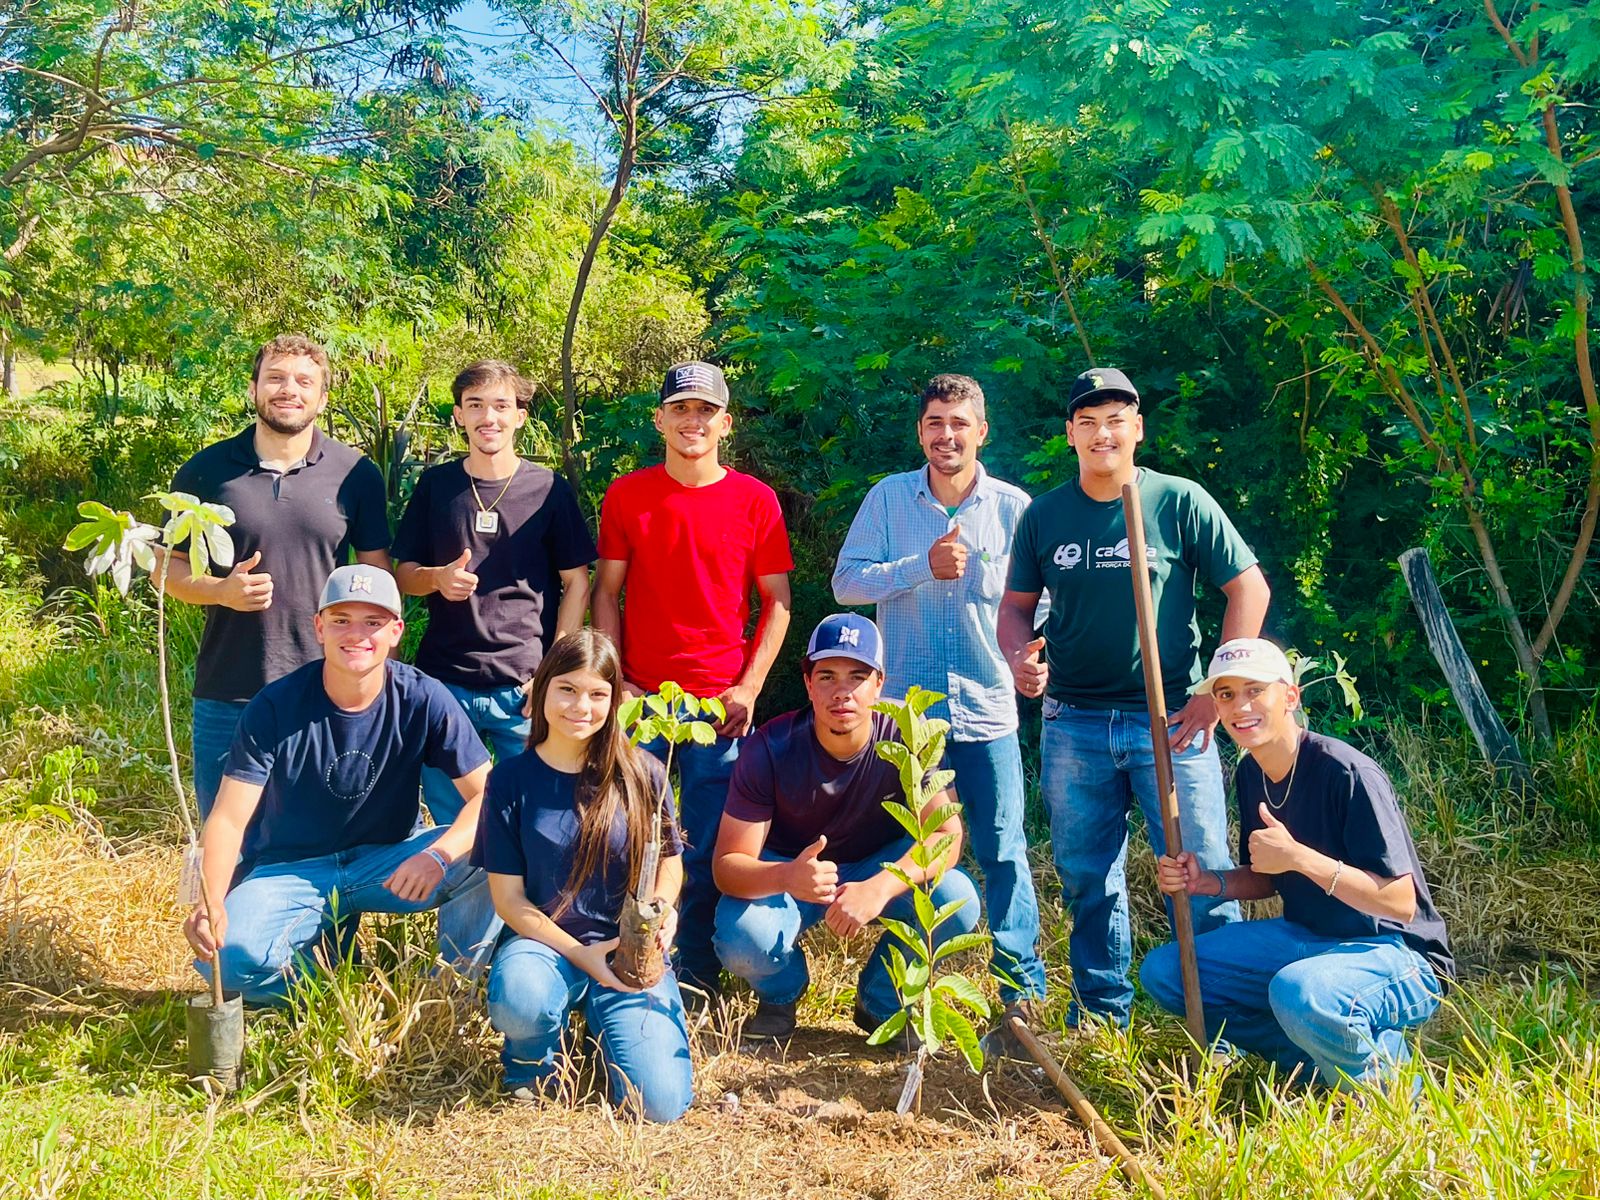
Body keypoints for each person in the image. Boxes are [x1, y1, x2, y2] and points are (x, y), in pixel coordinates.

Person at [997, 366, 1271, 1029]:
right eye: (1087, 422)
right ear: (1070, 434)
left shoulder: (1178, 501)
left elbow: (1249, 589)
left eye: (1115, 419)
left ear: (1137, 428)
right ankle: (1100, 1016)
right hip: (1074, 723)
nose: (1102, 433)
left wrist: (1215, 690)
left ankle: (1224, 1022)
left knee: (1202, 872)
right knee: (1088, 877)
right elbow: (1014, 610)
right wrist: (1018, 661)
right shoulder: (1046, 516)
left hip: (1173, 722)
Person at [831, 373, 1046, 1045]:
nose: (945, 435)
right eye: (934, 423)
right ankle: (887, 1000)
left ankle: (1020, 1000)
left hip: (988, 714)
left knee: (1005, 853)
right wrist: (919, 566)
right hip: (909, 723)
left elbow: (1045, 609)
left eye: (959, 423)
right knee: (920, 855)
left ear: (982, 431)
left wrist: (1038, 661)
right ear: (919, 431)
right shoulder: (889, 499)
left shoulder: (1015, 509)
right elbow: (845, 583)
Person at [1142, 639, 1453, 1090]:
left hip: (1395, 952)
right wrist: (1207, 881)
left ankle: (1390, 1090)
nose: (1239, 705)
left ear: (1290, 697)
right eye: (1226, 694)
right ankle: (1316, 1062)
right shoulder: (1252, 773)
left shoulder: (1346, 773)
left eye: (1254, 690)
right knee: (1167, 972)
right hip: (1307, 938)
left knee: (1299, 992)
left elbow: (1401, 903)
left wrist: (1301, 858)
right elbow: (1268, 876)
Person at [183, 566, 493, 1002]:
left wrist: (438, 858)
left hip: (384, 861)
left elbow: (491, 796)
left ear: (396, 631)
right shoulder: (275, 705)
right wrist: (210, 900)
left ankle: (450, 986)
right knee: (225, 959)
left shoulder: (423, 697)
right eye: (341, 620)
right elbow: (229, 819)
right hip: (291, 869)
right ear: (319, 627)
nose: (357, 635)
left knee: (498, 847)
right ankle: (326, 983)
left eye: (373, 622)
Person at [593, 360, 793, 1001]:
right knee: (627, 838)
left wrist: (749, 687)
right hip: (641, 701)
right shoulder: (627, 495)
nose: (692, 421)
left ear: (724, 423)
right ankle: (625, 966)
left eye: (705, 411)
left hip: (720, 708)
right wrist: (616, 680)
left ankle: (699, 974)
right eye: (680, 409)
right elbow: (607, 593)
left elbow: (778, 602)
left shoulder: (754, 500)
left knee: (710, 845)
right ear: (660, 419)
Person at [711, 614, 981, 1042]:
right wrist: (787, 876)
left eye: (858, 676)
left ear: (879, 683)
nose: (843, 692)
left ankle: (881, 1001)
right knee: (742, 935)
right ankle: (781, 995)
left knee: (957, 898)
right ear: (808, 683)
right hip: (793, 872)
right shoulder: (770, 746)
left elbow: (946, 836)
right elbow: (727, 867)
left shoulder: (909, 739)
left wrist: (880, 887)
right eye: (827, 676)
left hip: (878, 865)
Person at [165, 335, 390, 819]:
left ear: (322, 398)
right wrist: (220, 591)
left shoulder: (355, 475)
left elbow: (377, 578)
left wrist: (372, 667)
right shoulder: (207, 472)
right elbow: (169, 569)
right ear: (254, 389)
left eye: (304, 381)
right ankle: (217, 899)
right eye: (276, 378)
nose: (289, 390)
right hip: (229, 686)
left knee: (320, 830)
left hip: (326, 683)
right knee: (226, 831)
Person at [474, 629, 692, 1122]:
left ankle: (604, 1035)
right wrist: (580, 955)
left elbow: (671, 863)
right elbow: (509, 900)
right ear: (543, 688)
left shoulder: (645, 774)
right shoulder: (509, 780)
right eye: (567, 689)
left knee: (658, 1107)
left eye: (598, 693)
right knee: (523, 998)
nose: (581, 706)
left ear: (615, 701)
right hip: (545, 947)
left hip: (628, 952)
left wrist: (663, 910)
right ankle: (530, 1063)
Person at [393, 359, 595, 829]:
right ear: (459, 415)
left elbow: (577, 582)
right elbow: (403, 574)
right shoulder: (436, 486)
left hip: (524, 685)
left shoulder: (548, 490)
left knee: (540, 818)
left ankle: (527, 906)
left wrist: (554, 669)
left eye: (502, 406)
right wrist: (437, 578)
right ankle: (469, 904)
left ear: (520, 416)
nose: (490, 418)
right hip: (445, 684)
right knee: (454, 825)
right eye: (476, 405)